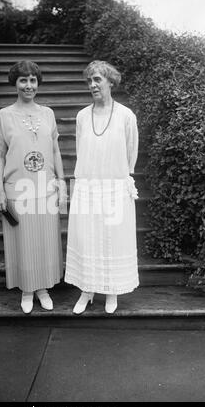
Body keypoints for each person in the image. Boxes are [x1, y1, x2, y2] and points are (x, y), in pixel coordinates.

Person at [0, 60, 67, 314]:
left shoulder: (47, 113)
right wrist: (0, 190)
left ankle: (43, 288)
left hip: (45, 188)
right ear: (15, 83)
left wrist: (61, 182)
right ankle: (26, 290)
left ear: (38, 83)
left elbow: (55, 150)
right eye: (23, 80)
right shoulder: (4, 115)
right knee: (22, 241)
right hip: (17, 189)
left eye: (33, 80)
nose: (28, 85)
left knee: (45, 240)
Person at [65, 60, 139, 314]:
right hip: (88, 186)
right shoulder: (82, 116)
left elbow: (131, 151)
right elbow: (81, 151)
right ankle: (87, 291)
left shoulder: (126, 115)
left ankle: (111, 291)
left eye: (97, 79)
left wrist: (123, 179)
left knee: (113, 239)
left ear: (110, 82)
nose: (93, 84)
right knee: (88, 239)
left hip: (115, 187)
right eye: (89, 81)